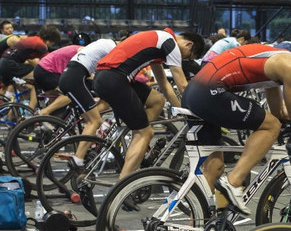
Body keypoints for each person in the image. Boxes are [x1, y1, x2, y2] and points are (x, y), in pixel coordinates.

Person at [181, 44, 291, 215]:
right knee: (271, 126)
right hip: (210, 91)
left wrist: (288, 120)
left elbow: (279, 112)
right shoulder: (290, 66)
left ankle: (196, 225)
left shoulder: (276, 64)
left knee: (215, 167)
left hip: (194, 93)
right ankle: (233, 182)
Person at [93, 28, 204, 180]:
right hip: (114, 79)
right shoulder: (170, 44)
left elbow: (164, 85)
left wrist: (182, 109)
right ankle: (123, 188)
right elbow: (183, 86)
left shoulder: (160, 42)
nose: (185, 61)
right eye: (189, 58)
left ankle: (137, 142)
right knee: (145, 133)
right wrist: (197, 110)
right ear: (189, 45)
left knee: (157, 100)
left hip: (106, 77)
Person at [58, 38, 117, 167]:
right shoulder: (112, 47)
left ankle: (87, 143)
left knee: (92, 115)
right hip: (75, 79)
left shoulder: (100, 43)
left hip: (71, 75)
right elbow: (114, 73)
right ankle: (78, 159)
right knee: (95, 121)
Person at [0, 25, 61, 107]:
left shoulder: (33, 39)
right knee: (35, 85)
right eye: (53, 43)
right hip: (10, 65)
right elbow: (49, 62)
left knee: (26, 89)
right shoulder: (40, 44)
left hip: (4, 63)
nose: (51, 45)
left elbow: (33, 61)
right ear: (49, 40)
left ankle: (11, 116)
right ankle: (32, 116)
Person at [32, 44, 82, 113]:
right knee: (72, 95)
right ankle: (45, 112)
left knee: (55, 99)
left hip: (41, 68)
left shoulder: (78, 48)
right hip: (47, 70)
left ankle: (51, 120)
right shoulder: (83, 52)